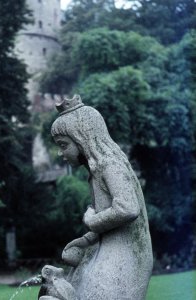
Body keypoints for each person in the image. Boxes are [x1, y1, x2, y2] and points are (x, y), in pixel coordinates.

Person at [51, 95, 153, 300]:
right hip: (107, 250)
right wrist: (86, 239)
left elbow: (127, 209)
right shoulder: (96, 171)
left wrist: (91, 221)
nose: (61, 153)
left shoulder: (109, 164)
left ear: (81, 138)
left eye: (63, 145)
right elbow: (110, 219)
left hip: (126, 256)